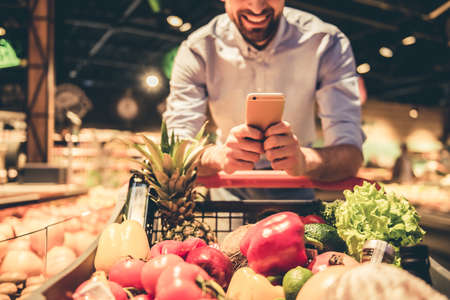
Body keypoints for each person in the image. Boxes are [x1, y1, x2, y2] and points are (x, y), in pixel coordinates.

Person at [163, 0, 365, 200]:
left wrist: (304, 159)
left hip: (298, 183)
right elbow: (175, 149)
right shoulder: (197, 49)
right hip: (227, 186)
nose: (257, 7)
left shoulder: (326, 42)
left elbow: (351, 156)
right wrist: (217, 156)